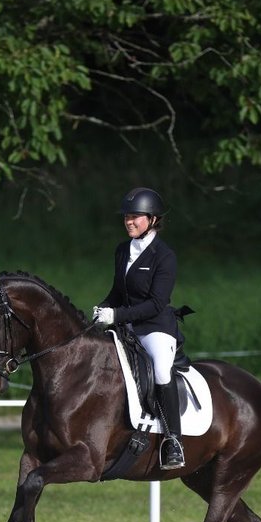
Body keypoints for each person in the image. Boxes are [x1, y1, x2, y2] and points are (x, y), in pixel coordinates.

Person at [93, 186, 186, 470]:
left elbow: (157, 303)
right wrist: (102, 309)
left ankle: (173, 440)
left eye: (135, 217)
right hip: (126, 327)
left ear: (153, 219)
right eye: (126, 217)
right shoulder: (123, 250)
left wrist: (116, 314)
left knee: (160, 369)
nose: (129, 221)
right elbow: (117, 291)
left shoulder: (165, 256)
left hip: (155, 328)